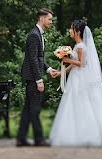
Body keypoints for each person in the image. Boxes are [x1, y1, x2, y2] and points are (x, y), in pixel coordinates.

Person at [48, 19, 102, 147]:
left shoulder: (80, 47)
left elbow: (82, 64)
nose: (69, 31)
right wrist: (61, 72)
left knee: (81, 103)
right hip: (76, 76)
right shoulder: (78, 45)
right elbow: (75, 65)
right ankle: (78, 135)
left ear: (77, 32)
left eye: (71, 29)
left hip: (80, 79)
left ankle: (86, 134)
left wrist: (67, 59)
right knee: (75, 103)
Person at [17, 8, 59, 147]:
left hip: (32, 77)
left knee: (28, 109)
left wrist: (48, 69)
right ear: (42, 19)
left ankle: (21, 139)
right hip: (33, 78)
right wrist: (39, 80)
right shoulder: (34, 35)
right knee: (35, 109)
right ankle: (39, 139)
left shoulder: (38, 34)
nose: (51, 22)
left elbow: (39, 58)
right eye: (49, 19)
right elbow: (33, 59)